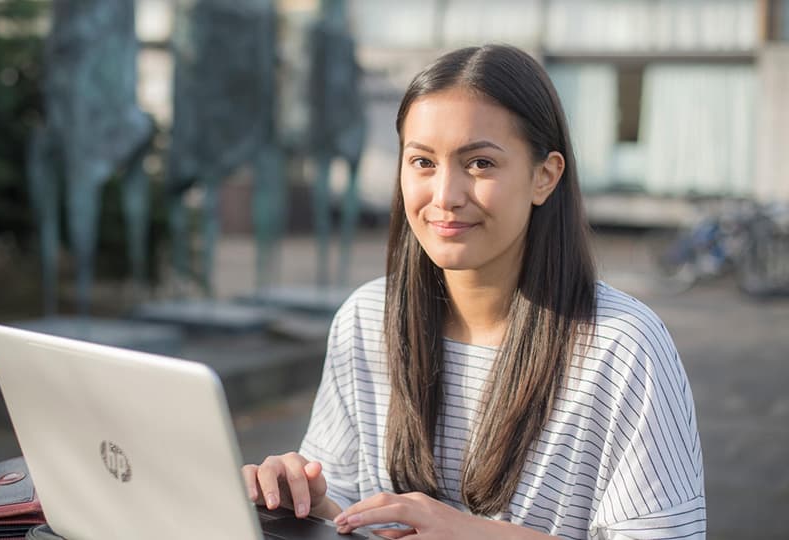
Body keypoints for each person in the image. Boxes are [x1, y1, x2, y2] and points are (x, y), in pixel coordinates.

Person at [242, 44, 705, 539]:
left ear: (545, 176)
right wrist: (312, 503)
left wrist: (471, 533)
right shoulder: (368, 317)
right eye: (423, 162)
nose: (445, 196)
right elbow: (351, 512)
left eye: (480, 163)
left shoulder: (622, 346)